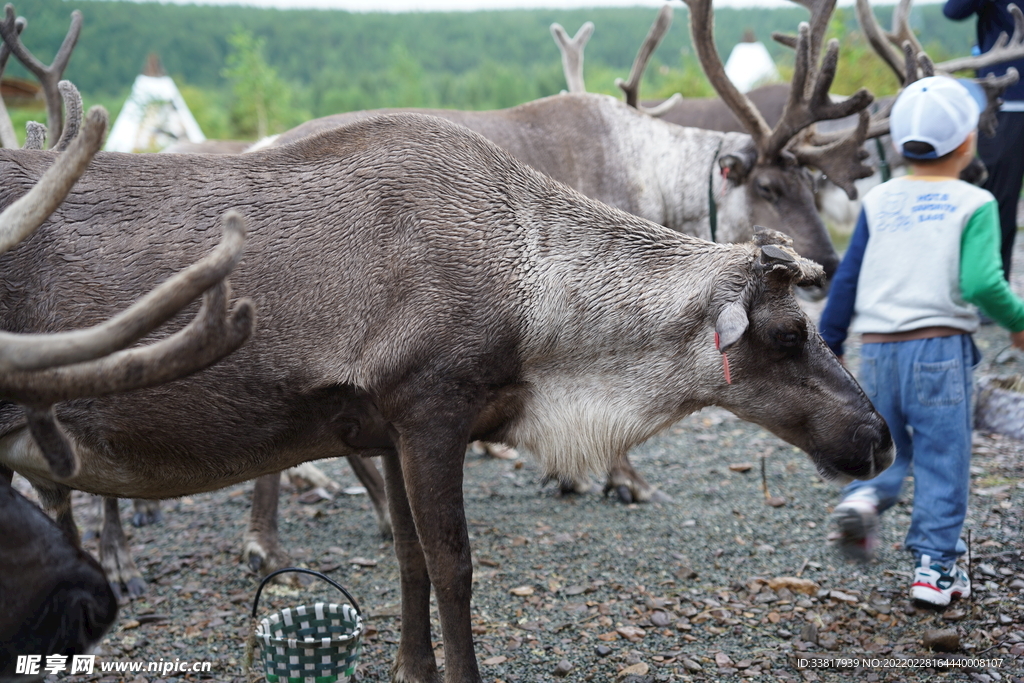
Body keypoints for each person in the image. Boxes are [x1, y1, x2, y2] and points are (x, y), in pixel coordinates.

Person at [818, 76, 1024, 607]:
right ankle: (934, 571)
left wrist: (830, 340)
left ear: (896, 144)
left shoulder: (880, 199)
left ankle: (863, 499)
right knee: (941, 456)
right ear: (967, 142)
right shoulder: (974, 202)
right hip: (938, 351)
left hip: (879, 351)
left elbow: (848, 276)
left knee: (889, 448)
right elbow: (982, 283)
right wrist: (1018, 320)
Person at [944, 0, 1024, 280]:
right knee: (996, 198)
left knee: (995, 198)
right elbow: (954, 11)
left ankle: (988, 285)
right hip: (1005, 101)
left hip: (1008, 101)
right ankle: (990, 284)